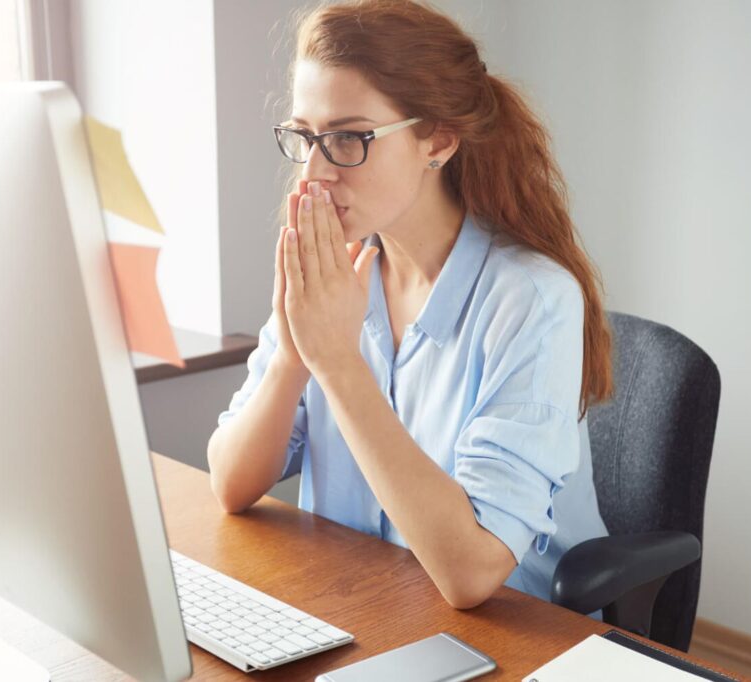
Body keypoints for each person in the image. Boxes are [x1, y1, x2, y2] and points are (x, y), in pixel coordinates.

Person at [208, 0, 614, 610]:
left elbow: (472, 573)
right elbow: (231, 484)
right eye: (306, 137)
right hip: (365, 607)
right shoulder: (335, 272)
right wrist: (296, 351)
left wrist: (338, 364)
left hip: (514, 636)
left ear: (439, 140)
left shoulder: (534, 301)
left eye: (348, 138)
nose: (315, 171)